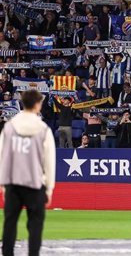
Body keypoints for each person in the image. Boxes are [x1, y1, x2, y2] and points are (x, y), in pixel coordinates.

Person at [0, 90, 56, 256]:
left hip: (13, 182)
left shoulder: (9, 127)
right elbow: (49, 161)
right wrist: (49, 188)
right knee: (35, 225)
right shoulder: (43, 129)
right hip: (35, 182)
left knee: (10, 223)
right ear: (38, 104)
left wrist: (3, 183)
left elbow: (2, 156)